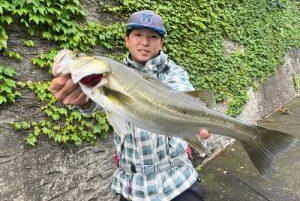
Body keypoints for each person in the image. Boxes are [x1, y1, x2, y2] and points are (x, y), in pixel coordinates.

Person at [49, 10, 209, 201]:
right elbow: (93, 105)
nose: (144, 42)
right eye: (138, 35)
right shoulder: (110, 74)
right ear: (126, 39)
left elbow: (181, 93)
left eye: (153, 36)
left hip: (178, 183)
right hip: (132, 188)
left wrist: (195, 120)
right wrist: (83, 101)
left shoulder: (174, 73)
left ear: (161, 43)